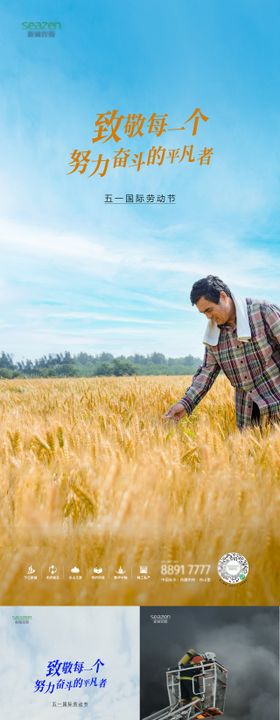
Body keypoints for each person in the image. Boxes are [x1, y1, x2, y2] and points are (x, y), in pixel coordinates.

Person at [165, 275, 280, 429]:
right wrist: (185, 403)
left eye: (209, 310)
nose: (208, 317)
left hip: (276, 403)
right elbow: (206, 373)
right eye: (203, 313)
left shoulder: (264, 312)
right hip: (247, 414)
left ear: (223, 296)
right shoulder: (213, 336)